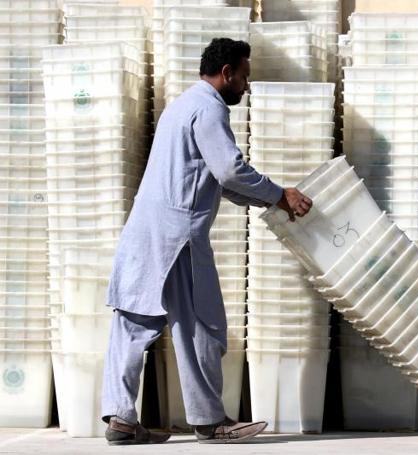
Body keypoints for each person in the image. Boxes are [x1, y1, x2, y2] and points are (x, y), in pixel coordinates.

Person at [100, 38, 313, 445]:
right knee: (202, 325)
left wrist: (272, 200)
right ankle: (210, 421)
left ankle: (121, 419)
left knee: (133, 324)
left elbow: (214, 179)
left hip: (144, 233)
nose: (246, 87)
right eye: (245, 76)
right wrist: (279, 194)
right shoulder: (210, 108)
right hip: (178, 237)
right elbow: (230, 171)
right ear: (227, 72)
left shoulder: (181, 106)